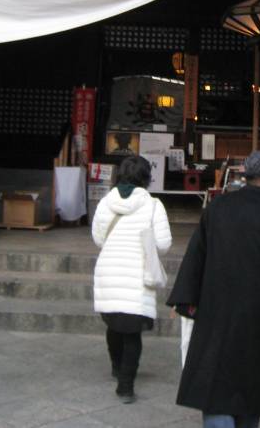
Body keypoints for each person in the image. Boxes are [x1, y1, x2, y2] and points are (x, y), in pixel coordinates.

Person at [167, 150, 260, 428]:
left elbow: (197, 256)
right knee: (250, 390)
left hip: (216, 312)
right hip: (259, 320)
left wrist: (187, 300)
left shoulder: (218, 208)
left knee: (214, 385)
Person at [91, 155, 172, 403]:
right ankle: (125, 387)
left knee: (114, 324)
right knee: (131, 333)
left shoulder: (106, 202)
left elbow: (97, 238)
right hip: (137, 273)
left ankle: (117, 367)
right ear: (146, 177)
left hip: (109, 269)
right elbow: (164, 244)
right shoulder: (153, 205)